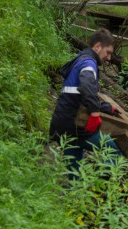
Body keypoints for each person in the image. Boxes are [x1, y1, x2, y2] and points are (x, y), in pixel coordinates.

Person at [49, 28, 123, 178]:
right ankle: (98, 184)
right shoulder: (89, 63)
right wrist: (95, 114)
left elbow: (79, 95)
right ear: (97, 47)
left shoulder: (80, 59)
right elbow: (86, 85)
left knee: (74, 167)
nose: (109, 58)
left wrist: (106, 107)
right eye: (108, 52)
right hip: (74, 125)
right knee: (113, 151)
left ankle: (73, 195)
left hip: (62, 124)